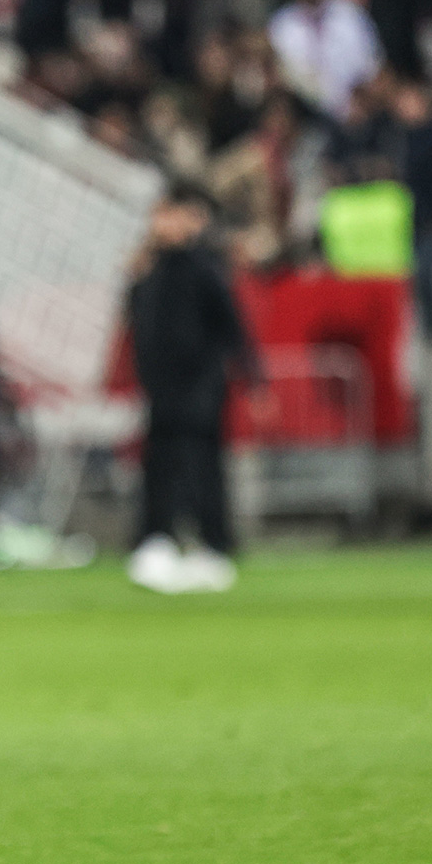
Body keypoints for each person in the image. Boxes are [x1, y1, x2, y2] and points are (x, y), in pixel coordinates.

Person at [125, 186, 258, 594]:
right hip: (160, 388)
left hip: (199, 386)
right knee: (159, 467)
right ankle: (156, 540)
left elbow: (232, 325)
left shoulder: (205, 268)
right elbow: (136, 324)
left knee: (202, 466)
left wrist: (253, 376)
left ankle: (213, 546)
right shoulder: (149, 270)